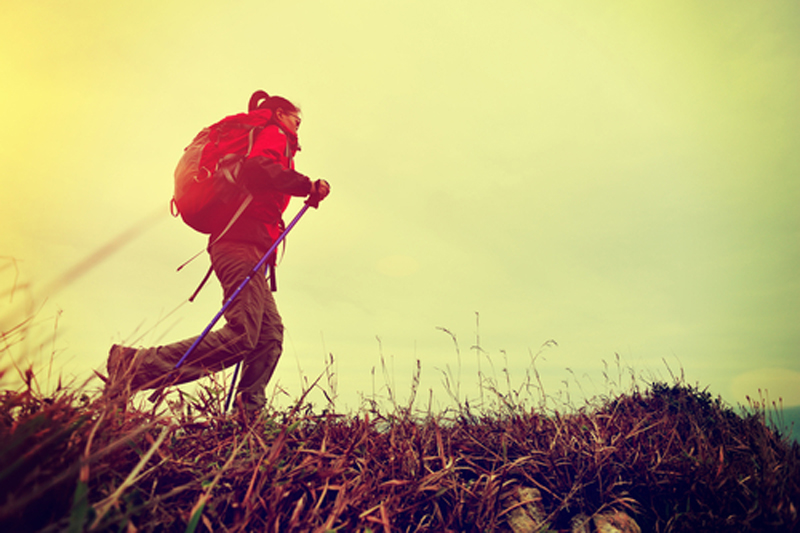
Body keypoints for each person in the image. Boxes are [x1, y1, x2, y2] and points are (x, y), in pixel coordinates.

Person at [105, 91, 330, 417]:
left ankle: (247, 416)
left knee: (268, 336)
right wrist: (307, 185)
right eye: (297, 120)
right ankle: (133, 366)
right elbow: (258, 168)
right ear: (281, 114)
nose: (298, 128)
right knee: (243, 336)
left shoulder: (263, 135)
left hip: (247, 246)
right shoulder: (274, 133)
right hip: (238, 245)